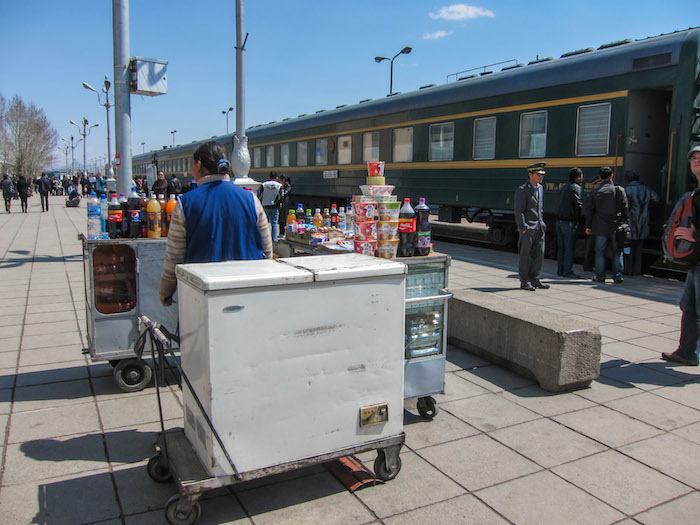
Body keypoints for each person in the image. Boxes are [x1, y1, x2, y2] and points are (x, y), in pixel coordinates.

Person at [160, 141, 273, 307]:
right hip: (248, 296)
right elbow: (267, 251)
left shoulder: (185, 204)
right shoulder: (251, 200)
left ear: (198, 165)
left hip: (202, 300)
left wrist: (166, 292)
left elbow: (174, 258)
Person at [662, 145, 700, 366]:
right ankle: (686, 352)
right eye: (693, 157)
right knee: (689, 307)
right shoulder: (696, 191)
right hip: (696, 262)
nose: (696, 160)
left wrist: (695, 234)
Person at [585, 167, 628, 284]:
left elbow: (590, 211)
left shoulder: (595, 192)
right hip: (616, 226)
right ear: (611, 176)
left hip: (600, 227)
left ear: (600, 177)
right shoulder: (619, 190)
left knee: (599, 251)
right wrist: (626, 223)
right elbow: (625, 209)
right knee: (617, 251)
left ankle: (600, 276)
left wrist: (588, 226)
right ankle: (618, 276)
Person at [514, 162, 549, 291]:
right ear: (530, 174)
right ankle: (524, 281)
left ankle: (535, 279)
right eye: (538, 174)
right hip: (528, 228)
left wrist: (542, 223)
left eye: (542, 175)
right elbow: (519, 211)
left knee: (539, 255)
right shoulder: (523, 190)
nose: (541, 177)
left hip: (539, 227)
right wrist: (523, 227)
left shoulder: (540, 188)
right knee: (525, 256)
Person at [624, 170, 660, 275]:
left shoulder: (628, 190)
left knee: (628, 246)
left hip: (631, 220)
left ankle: (628, 269)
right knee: (639, 247)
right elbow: (656, 199)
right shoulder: (646, 189)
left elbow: (625, 206)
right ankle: (637, 270)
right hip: (644, 220)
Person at [556, 168, 584, 278]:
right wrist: (579, 217)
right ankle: (567, 271)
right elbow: (578, 205)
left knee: (561, 247)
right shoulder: (576, 188)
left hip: (559, 221)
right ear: (578, 177)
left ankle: (560, 270)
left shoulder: (565, 187)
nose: (582, 178)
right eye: (581, 176)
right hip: (569, 222)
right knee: (569, 248)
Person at [257, 171, 284, 242]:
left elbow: (259, 195)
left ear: (269, 177)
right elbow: (281, 197)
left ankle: (264, 239)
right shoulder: (279, 185)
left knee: (264, 224)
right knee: (274, 224)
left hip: (265, 206)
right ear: (276, 178)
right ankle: (274, 239)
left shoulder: (264, 184)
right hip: (274, 207)